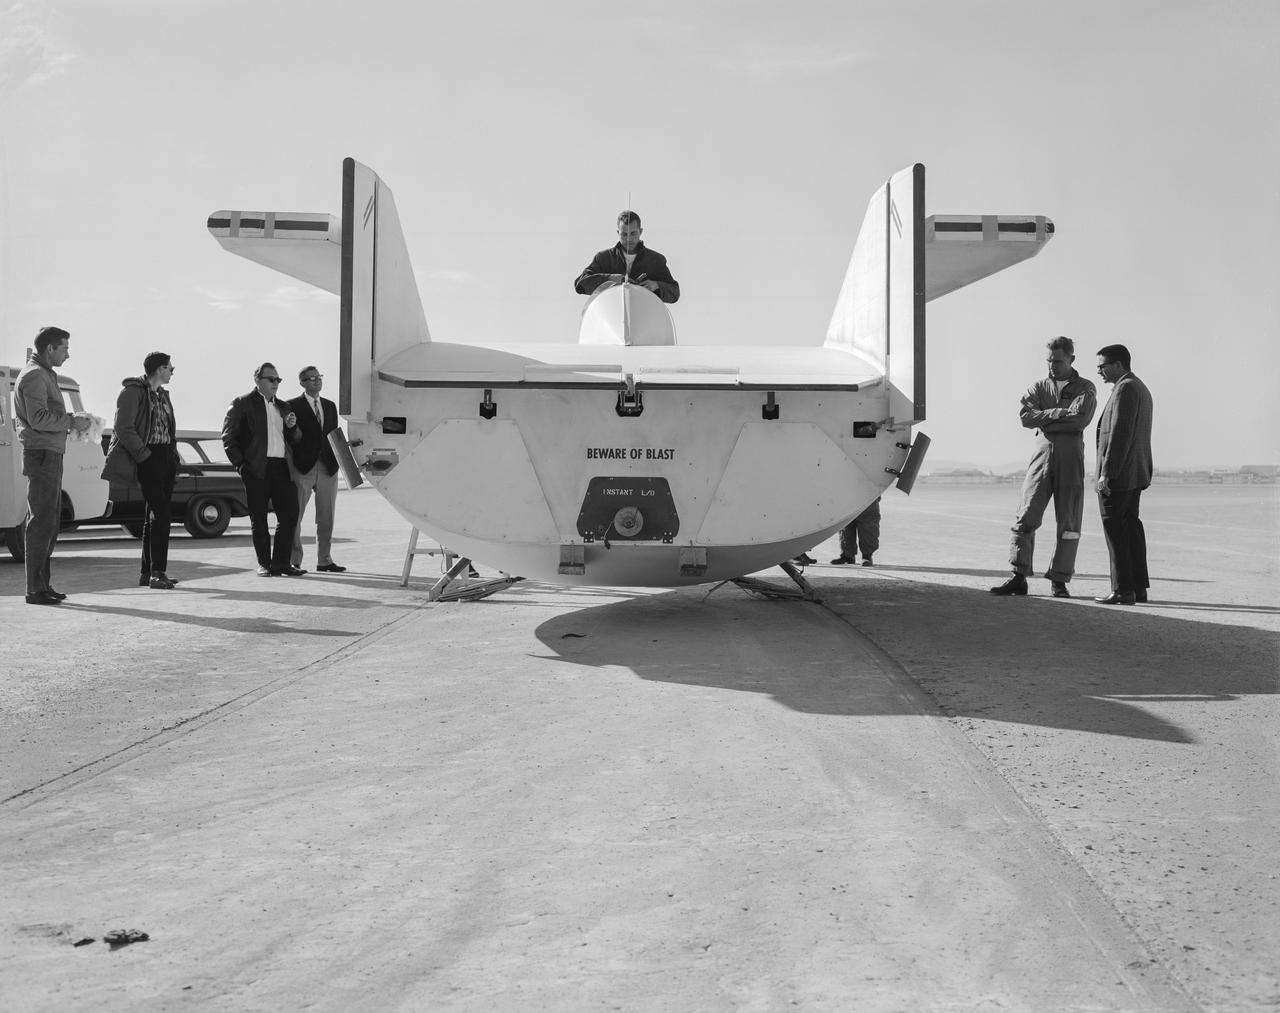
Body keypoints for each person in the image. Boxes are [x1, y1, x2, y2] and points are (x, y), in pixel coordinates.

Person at [990, 336, 1097, 598]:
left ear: (1071, 359)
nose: (1052, 366)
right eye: (1049, 361)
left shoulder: (1086, 388)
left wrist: (1046, 419)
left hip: (1071, 459)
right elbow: (1026, 418)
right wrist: (1056, 413)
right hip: (1041, 458)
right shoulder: (1038, 387)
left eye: (1058, 361)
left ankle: (1059, 581)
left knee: (1069, 522)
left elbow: (1079, 421)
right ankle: (1018, 576)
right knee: (1025, 516)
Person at [12, 326, 92, 605]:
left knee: (48, 521)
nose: (68, 354)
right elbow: (39, 419)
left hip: (48, 452)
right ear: (50, 348)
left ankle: (42, 586)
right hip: (42, 453)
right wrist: (72, 421)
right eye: (65, 348)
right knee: (42, 521)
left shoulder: (42, 373)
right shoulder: (35, 375)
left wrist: (70, 420)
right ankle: (35, 589)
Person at [102, 352, 180, 589]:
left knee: (153, 516)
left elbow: (168, 428)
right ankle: (158, 572)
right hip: (148, 457)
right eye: (170, 368)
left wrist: (173, 456)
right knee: (162, 514)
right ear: (159, 369)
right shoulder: (132, 391)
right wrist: (144, 456)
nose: (172, 372)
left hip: (166, 456)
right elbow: (123, 428)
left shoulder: (162, 395)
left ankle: (148, 573)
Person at [221, 362, 304, 577]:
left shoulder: (284, 407)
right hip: (256, 468)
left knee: (290, 515)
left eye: (278, 380)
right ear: (258, 380)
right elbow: (229, 438)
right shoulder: (242, 403)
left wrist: (293, 427)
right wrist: (241, 466)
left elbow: (295, 440)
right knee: (259, 519)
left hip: (282, 468)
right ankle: (265, 564)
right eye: (271, 379)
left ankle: (281, 563)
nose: (276, 383)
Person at [1093, 344, 1153, 605]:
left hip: (1120, 474)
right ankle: (1138, 588)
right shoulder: (1138, 386)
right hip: (1134, 473)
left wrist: (1107, 473)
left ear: (1118, 364)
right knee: (1130, 528)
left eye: (1102, 366)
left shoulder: (1125, 388)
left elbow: (1120, 435)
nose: (1099, 371)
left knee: (1115, 529)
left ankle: (1122, 589)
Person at [287, 366, 345, 573]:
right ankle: (294, 560)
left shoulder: (329, 406)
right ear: (302, 383)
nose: (316, 381)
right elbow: (290, 438)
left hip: (328, 466)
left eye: (318, 377)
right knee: (295, 516)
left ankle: (324, 560)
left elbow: (333, 435)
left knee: (326, 517)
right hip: (303, 467)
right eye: (310, 379)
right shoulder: (291, 405)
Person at [574, 211, 680, 304]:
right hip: (611, 316)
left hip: (643, 318)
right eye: (624, 234)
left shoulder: (655, 260)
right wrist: (610, 279)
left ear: (641, 231)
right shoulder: (603, 258)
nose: (629, 238)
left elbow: (675, 293)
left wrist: (656, 285)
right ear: (617, 233)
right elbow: (580, 284)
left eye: (633, 233)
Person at [830, 497, 881, 566]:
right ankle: (847, 556)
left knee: (867, 527)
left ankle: (867, 556)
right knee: (846, 526)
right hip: (846, 496)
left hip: (867, 496)